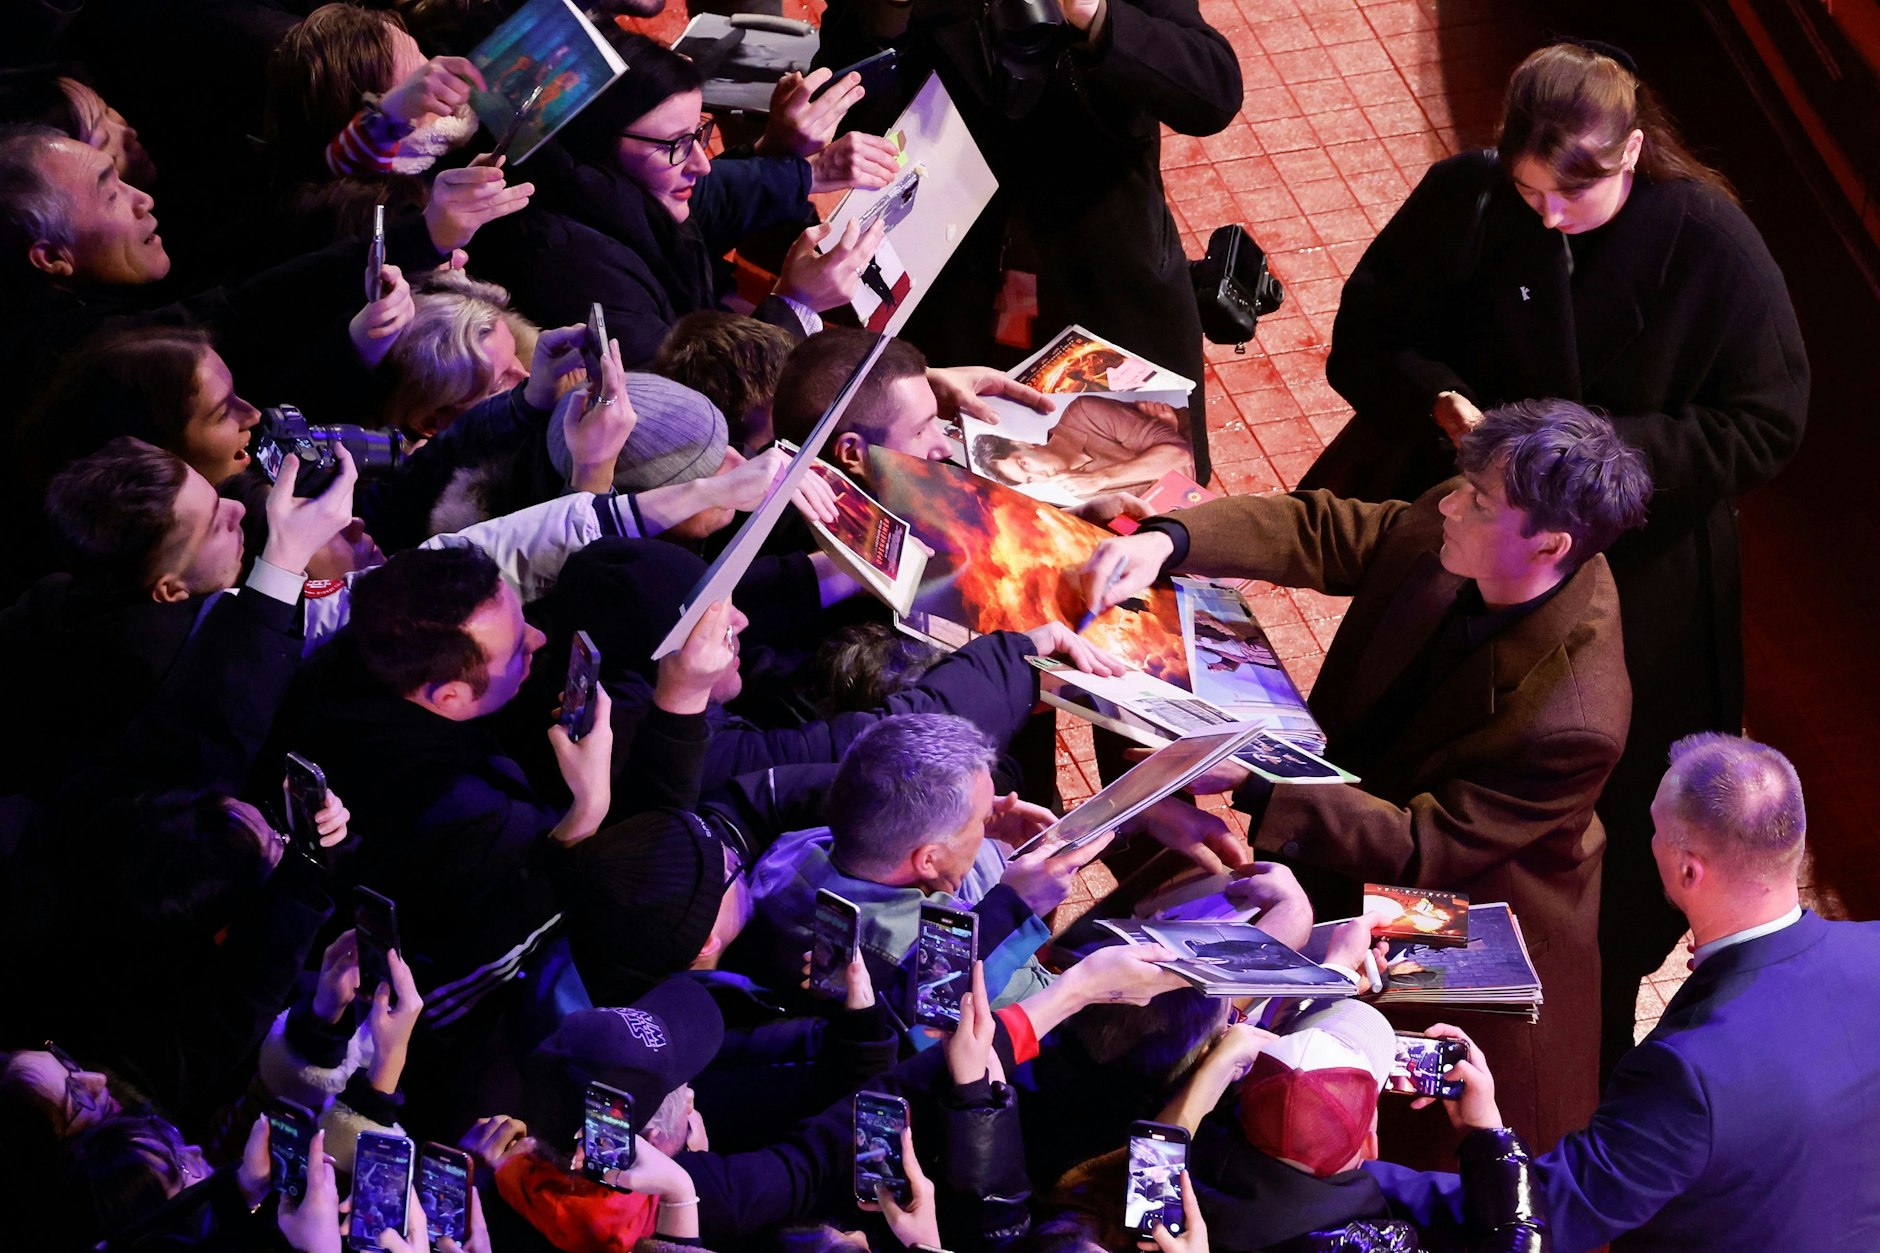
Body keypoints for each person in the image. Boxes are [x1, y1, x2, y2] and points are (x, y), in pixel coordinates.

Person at [1296, 41, 1810, 1071]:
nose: (1544, 219)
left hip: (1640, 570)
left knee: (1570, 848)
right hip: (1471, 535)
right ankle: (1361, 1010)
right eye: (1525, 191)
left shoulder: (1704, 237)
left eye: (1570, 197)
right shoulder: (1470, 200)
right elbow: (1367, 341)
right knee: (1407, 770)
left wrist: (1593, 463)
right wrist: (1446, 412)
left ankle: (1554, 1051)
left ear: (1630, 155)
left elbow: (1764, 421)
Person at [1078, 398, 1653, 1156]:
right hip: (1353, 817)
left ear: (1548, 545)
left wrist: (1259, 783)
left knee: (1365, 1113)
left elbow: (1425, 848)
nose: (1449, 504)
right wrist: (1172, 539)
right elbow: (1327, 530)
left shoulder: (1576, 717)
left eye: (1478, 503)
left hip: (1458, 906)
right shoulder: (1469, 521)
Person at [1372, 734, 1880, 1252]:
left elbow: (1553, 1212)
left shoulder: (1688, 1077)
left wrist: (1338, 1181)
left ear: (1689, 870)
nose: (1650, 840)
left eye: (1657, 830)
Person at [814, 0, 1241, 481]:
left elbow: (1214, 92)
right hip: (953, 288)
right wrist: (885, 18)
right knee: (957, 501)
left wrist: (1094, 14)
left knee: (1141, 509)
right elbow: (837, 114)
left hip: (1107, 288)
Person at [474, 34, 895, 367]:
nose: (701, 163)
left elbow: (713, 196)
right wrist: (794, 306)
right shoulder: (571, 268)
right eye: (676, 144)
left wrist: (808, 170)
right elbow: (691, 399)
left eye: (698, 134)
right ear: (596, 145)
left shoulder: (609, 193)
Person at [740, 713, 1105, 1027]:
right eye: (983, 819)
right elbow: (1045, 1006)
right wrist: (1018, 907)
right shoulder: (920, 957)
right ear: (928, 860)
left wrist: (973, 829)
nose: (994, 818)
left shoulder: (791, 851)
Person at [971, 394, 1191, 499]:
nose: (1040, 475)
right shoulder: (1080, 493)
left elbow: (1181, 455)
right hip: (1195, 491)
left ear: (1022, 444)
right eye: (1029, 479)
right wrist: (1167, 443)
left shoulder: (1084, 413)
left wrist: (1103, 477)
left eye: (1025, 464)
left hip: (1202, 433)